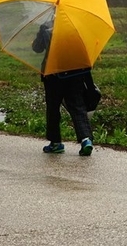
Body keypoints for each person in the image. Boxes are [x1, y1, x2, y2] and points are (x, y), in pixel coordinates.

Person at [32, 19, 94, 156]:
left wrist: (36, 40)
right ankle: (86, 139)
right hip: (76, 72)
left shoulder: (46, 26)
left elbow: (37, 48)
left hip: (54, 74)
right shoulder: (78, 25)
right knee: (78, 106)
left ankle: (55, 143)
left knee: (53, 108)